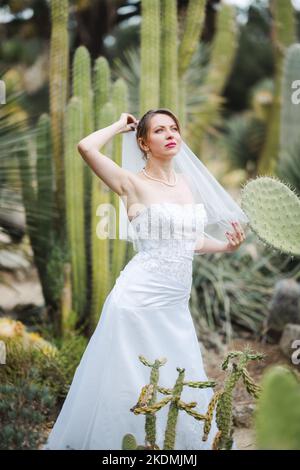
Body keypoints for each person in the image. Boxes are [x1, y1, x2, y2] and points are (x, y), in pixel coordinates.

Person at [42, 109, 246, 450]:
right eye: (160, 130)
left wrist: (225, 246)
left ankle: (169, 448)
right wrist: (118, 126)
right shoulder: (130, 182)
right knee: (129, 381)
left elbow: (190, 241)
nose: (171, 134)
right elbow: (86, 148)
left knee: (177, 376)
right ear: (143, 143)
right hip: (136, 301)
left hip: (175, 304)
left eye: (174, 128)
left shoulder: (187, 183)